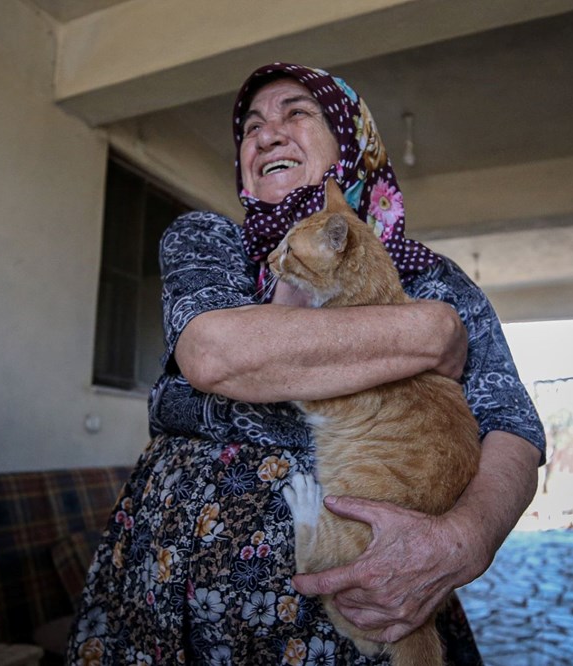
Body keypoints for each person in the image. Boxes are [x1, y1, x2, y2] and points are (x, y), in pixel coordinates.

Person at [67, 62, 545, 666]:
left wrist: (460, 540)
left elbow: (514, 429)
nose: (266, 134)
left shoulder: (434, 279)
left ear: (347, 139)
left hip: (377, 598)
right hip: (173, 600)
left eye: (296, 112)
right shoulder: (209, 244)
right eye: (250, 127)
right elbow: (213, 354)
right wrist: (427, 330)